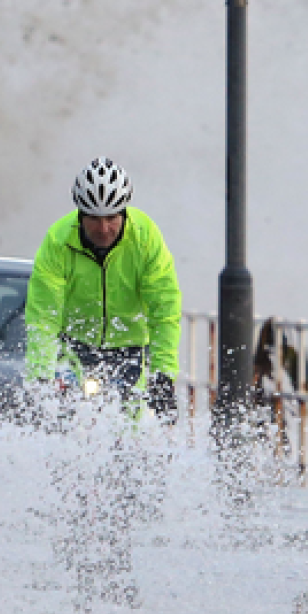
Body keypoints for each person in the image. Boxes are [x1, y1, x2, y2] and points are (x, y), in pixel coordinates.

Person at [25, 157, 181, 419]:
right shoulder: (58, 242)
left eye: (111, 218)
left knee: (130, 423)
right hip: (74, 345)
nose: (103, 228)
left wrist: (163, 374)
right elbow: (43, 315)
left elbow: (164, 310)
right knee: (63, 417)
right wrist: (40, 376)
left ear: (124, 213)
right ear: (80, 215)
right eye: (94, 219)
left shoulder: (145, 239)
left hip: (130, 348)